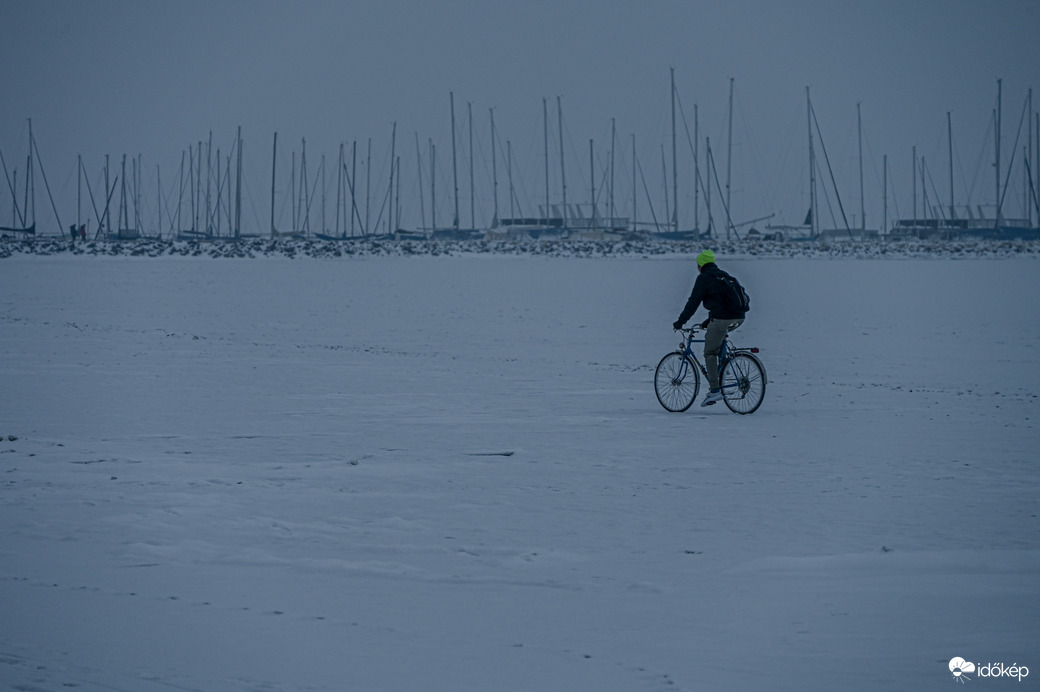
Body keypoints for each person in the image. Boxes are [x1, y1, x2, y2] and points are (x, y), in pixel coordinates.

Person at [672, 250, 747, 407]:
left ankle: (715, 391)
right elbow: (724, 301)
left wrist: (680, 321)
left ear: (700, 265)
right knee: (716, 338)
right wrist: (709, 320)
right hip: (739, 317)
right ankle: (724, 365)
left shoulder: (704, 278)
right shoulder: (725, 276)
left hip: (722, 319)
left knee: (709, 352)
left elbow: (693, 302)